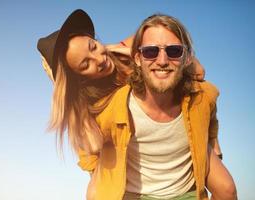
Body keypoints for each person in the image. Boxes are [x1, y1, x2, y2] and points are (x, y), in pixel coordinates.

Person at [76, 13, 237, 200]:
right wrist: (97, 174)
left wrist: (213, 142)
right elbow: (88, 145)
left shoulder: (201, 92)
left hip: (186, 191)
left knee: (227, 189)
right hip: (135, 193)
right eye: (151, 51)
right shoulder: (105, 101)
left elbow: (203, 84)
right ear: (138, 57)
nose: (162, 60)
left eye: (174, 51)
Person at [37, 9, 222, 156]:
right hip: (144, 155)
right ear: (79, 78)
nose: (99, 60)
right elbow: (93, 145)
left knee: (226, 188)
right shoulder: (88, 102)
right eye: (86, 64)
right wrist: (67, 91)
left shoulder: (129, 48)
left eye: (93, 46)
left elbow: (198, 71)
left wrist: (123, 51)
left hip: (186, 129)